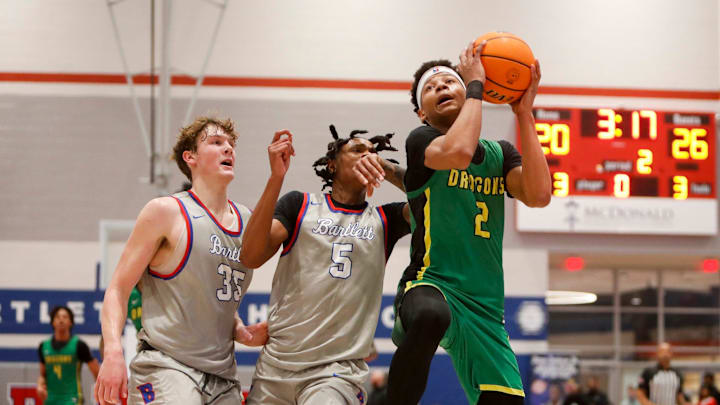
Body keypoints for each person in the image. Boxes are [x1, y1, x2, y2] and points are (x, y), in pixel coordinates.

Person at [379, 41, 551, 405]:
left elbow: (539, 195)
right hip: (431, 282)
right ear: (421, 113)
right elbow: (457, 153)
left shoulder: (500, 153)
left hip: (486, 305)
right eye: (431, 87)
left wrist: (524, 113)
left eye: (450, 81)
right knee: (429, 315)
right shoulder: (422, 139)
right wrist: (474, 86)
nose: (442, 87)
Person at [94, 116, 277, 405]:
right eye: (216, 143)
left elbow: (209, 292)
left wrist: (239, 329)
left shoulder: (246, 220)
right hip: (168, 366)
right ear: (190, 157)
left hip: (223, 376)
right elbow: (117, 289)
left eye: (231, 144)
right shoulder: (165, 212)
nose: (228, 149)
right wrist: (113, 352)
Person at [240, 125, 410, 404]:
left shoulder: (386, 219)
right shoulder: (299, 205)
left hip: (336, 373)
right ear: (332, 165)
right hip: (275, 367)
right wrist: (276, 178)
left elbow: (434, 199)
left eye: (373, 153)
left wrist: (387, 169)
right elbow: (250, 256)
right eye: (358, 150)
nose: (368, 156)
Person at [37, 305, 100, 404]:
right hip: (51, 399)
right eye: (57, 317)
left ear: (71, 322)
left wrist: (101, 392)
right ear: (53, 322)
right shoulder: (44, 347)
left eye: (65, 317)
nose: (61, 320)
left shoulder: (79, 345)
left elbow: (96, 370)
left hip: (72, 399)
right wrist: (40, 386)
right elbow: (42, 375)